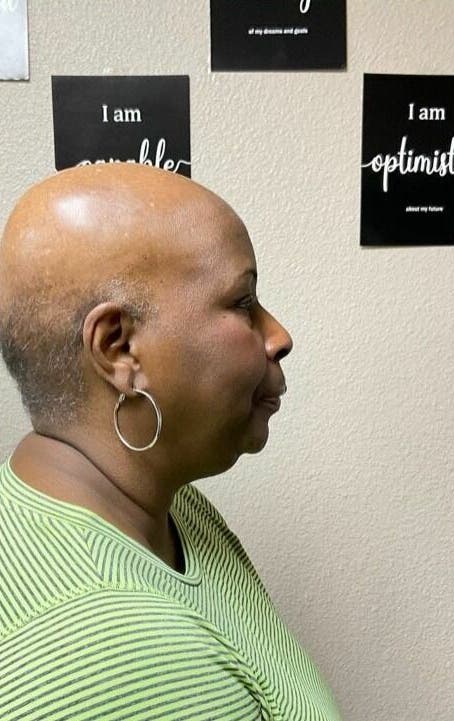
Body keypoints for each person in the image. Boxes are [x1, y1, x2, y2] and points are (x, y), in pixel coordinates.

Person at [0, 164, 341, 720]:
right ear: (119, 348)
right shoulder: (103, 660)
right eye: (243, 302)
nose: (279, 336)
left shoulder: (162, 504)